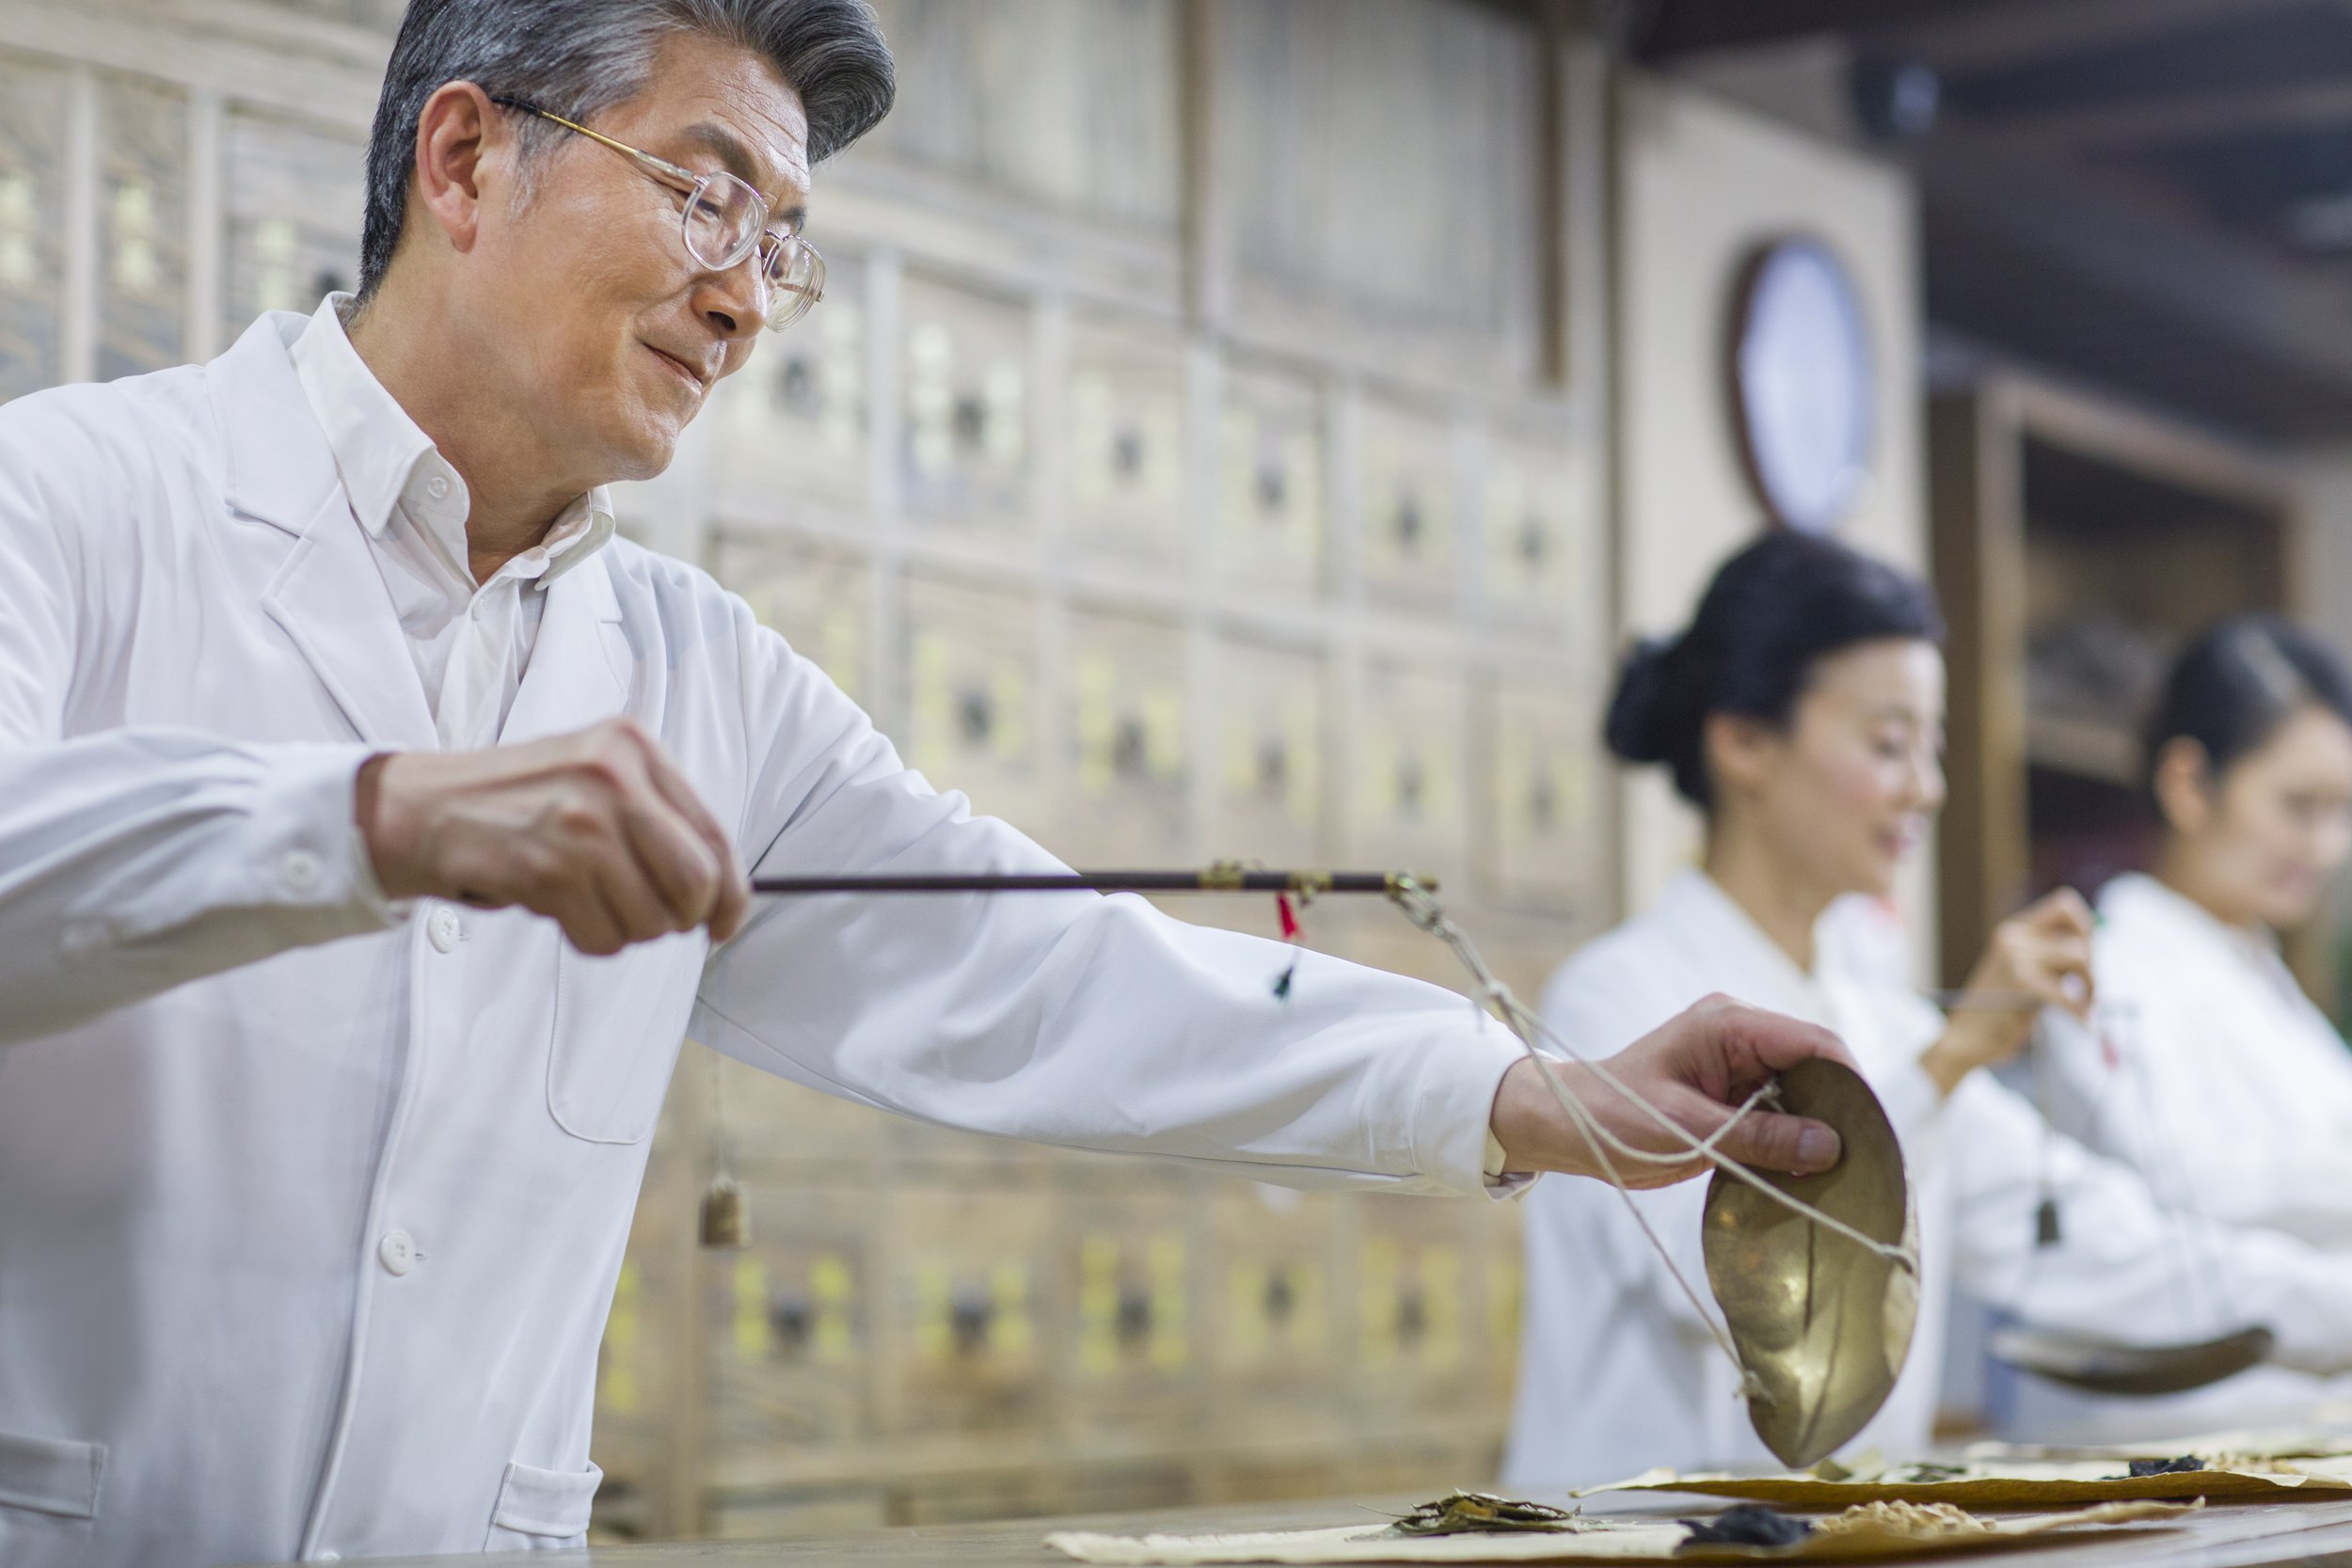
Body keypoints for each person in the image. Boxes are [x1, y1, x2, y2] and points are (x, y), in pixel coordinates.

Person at [0, 4, 1854, 1563]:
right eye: (704, 194)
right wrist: (373, 815)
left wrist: (1518, 1090)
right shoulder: (75, 499)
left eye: (781, 238)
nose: (744, 297)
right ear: (467, 160)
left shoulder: (695, 671)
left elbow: (1047, 968)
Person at [1500, 533, 2352, 1490]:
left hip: (1831, 1541)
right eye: (1887, 742)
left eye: (1931, 746)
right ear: (1742, 739)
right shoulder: (1613, 996)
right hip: (1637, 1542)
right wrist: (1945, 1065)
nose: (1927, 787)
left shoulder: (1886, 1021)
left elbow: (2095, 1247)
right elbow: (1729, 1288)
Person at [2026, 616, 2352, 1438]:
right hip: (2171, 1423)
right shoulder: (2105, 964)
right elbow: (2188, 1180)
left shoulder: (2265, 976)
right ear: (2189, 783)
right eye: (2298, 805)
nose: (2324, 844)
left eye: (2343, 810)